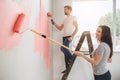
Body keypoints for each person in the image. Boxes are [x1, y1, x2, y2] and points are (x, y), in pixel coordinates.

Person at [51, 5, 78, 73]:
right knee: (65, 53)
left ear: (69, 10)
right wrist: (54, 24)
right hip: (64, 37)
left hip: (69, 36)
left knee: (63, 48)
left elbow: (77, 28)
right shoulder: (65, 19)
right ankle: (67, 69)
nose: (64, 11)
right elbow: (60, 28)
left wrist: (71, 36)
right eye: (64, 9)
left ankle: (72, 58)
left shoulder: (73, 17)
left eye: (66, 9)